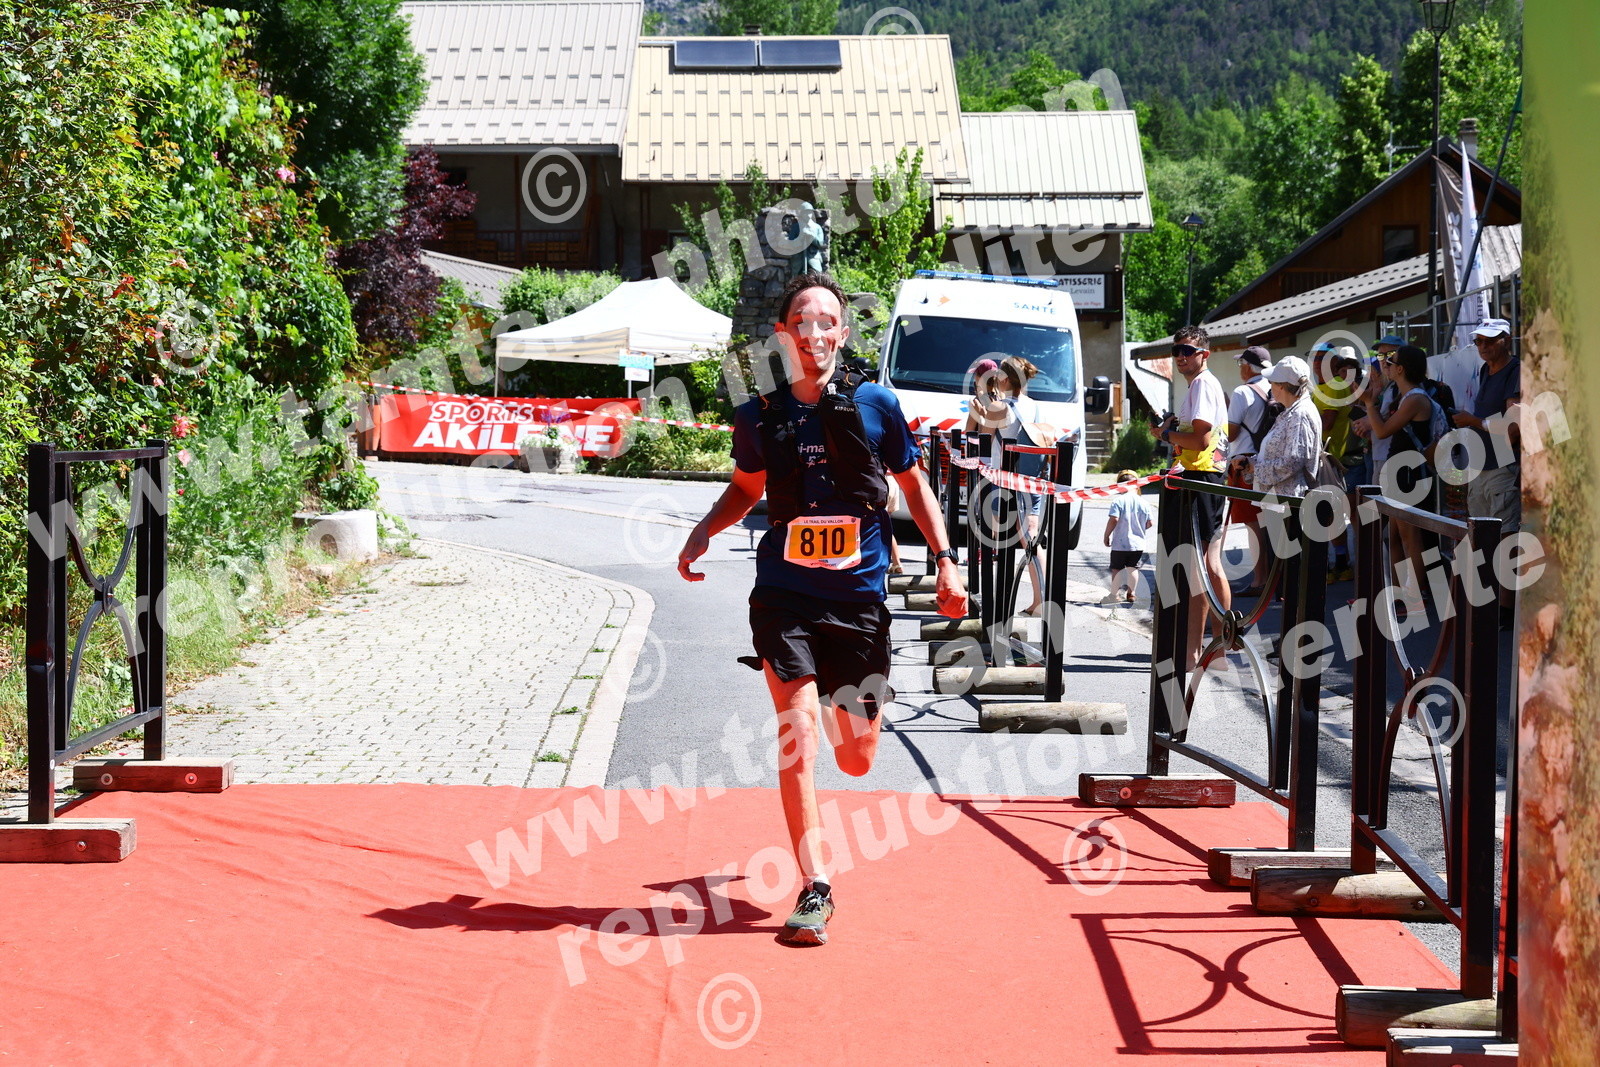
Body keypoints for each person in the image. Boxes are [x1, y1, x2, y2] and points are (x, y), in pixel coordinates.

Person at [677, 271, 967, 946]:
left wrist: (945, 559)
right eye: (801, 323)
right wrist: (704, 530)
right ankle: (815, 886)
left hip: (859, 598)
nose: (814, 333)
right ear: (783, 335)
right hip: (785, 594)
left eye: (826, 322)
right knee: (798, 734)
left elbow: (913, 485)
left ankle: (848, 711)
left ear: (842, 332)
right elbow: (746, 487)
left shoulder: (875, 404)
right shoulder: (758, 415)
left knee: (857, 756)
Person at [1153, 325, 1231, 669]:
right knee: (1207, 565)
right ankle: (1216, 650)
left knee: (1201, 567)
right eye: (1176, 351)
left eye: (1187, 351)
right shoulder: (1200, 385)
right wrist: (1171, 431)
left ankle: (1198, 651)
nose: (1181, 357)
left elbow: (1199, 441)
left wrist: (1166, 434)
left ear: (1204, 354)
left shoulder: (1202, 384)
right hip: (1205, 477)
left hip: (1203, 478)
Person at [1353, 345, 1447, 609]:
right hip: (1399, 470)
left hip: (1410, 472)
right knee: (1393, 537)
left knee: (1410, 537)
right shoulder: (1403, 396)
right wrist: (1371, 402)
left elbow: (1382, 431)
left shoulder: (1415, 399)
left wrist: (1369, 403)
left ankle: (1414, 596)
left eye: (1391, 362)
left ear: (1401, 369)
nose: (1386, 365)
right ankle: (1399, 594)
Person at [1451, 317, 1521, 624]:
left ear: (1507, 339)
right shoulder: (1485, 370)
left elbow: (1513, 428)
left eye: (1490, 340)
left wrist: (1473, 422)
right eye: (1479, 341)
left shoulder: (1516, 370)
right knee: (1482, 537)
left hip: (1504, 465)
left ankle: (1506, 610)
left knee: (1505, 538)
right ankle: (1489, 605)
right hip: (1482, 466)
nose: (1483, 346)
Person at [1225, 346, 1273, 594]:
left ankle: (1259, 581)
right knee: (1266, 523)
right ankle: (1272, 578)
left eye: (1240, 364)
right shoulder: (1275, 387)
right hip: (1268, 462)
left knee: (1253, 526)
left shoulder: (1242, 392)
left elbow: (1231, 433)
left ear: (1247, 366)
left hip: (1244, 465)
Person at [1249, 356, 1322, 498]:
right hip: (1281, 500)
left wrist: (1256, 468)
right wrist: (1251, 462)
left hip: (1288, 502)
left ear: (1281, 386)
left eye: (1271, 381)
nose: (1270, 386)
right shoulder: (1292, 411)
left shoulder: (1300, 414)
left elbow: (1292, 462)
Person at [1103, 469, 1154, 603]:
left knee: (1117, 569)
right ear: (1137, 485)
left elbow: (1114, 519)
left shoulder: (1118, 501)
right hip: (1137, 544)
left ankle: (1114, 595)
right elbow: (1150, 523)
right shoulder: (1144, 503)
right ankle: (1131, 594)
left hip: (1120, 544)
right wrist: (1139, 528)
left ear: (1119, 485)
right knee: (1133, 568)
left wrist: (1107, 535)